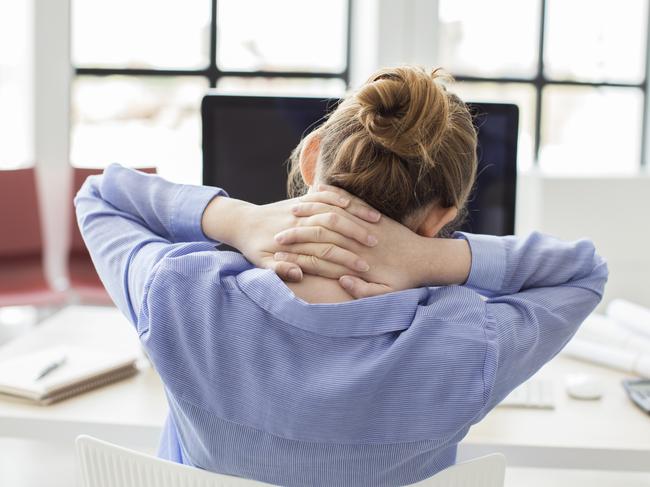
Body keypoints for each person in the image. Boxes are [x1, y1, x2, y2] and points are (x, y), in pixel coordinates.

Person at [75, 66, 608, 487]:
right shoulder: (469, 342)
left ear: (310, 162)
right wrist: (430, 258)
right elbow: (583, 273)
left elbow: (102, 196)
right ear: (442, 215)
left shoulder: (180, 293)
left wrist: (239, 219)